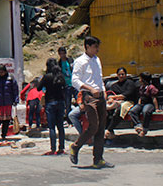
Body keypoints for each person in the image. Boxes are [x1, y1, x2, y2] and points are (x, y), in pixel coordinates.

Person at [69, 36, 114, 169]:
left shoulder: (97, 60)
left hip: (100, 95)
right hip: (89, 96)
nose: (97, 50)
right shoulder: (80, 61)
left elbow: (99, 77)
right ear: (87, 47)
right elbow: (75, 80)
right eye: (95, 47)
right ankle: (75, 146)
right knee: (93, 126)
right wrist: (90, 89)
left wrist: (103, 90)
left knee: (101, 128)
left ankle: (98, 159)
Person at [38, 58, 66, 155]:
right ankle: (61, 148)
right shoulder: (61, 76)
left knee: (52, 127)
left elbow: (38, 88)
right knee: (60, 126)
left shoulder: (47, 77)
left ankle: (53, 148)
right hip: (61, 102)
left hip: (50, 102)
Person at [105, 67, 138, 140]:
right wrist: (111, 99)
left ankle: (109, 129)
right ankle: (108, 131)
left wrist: (114, 97)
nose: (121, 76)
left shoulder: (130, 83)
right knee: (105, 110)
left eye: (122, 74)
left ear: (125, 75)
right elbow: (110, 94)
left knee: (120, 109)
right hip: (115, 103)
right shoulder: (114, 85)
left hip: (128, 102)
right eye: (119, 74)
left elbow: (126, 95)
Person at [128, 71, 159, 137]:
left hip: (149, 104)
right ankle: (138, 125)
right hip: (142, 104)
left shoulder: (151, 87)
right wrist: (138, 105)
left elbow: (154, 98)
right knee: (132, 111)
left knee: (146, 111)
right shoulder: (141, 87)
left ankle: (145, 128)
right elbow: (140, 97)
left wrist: (156, 108)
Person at [57, 47, 75, 119]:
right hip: (66, 85)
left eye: (63, 53)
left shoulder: (70, 61)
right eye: (60, 54)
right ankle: (68, 119)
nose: (62, 55)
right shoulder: (59, 64)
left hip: (74, 83)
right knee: (68, 103)